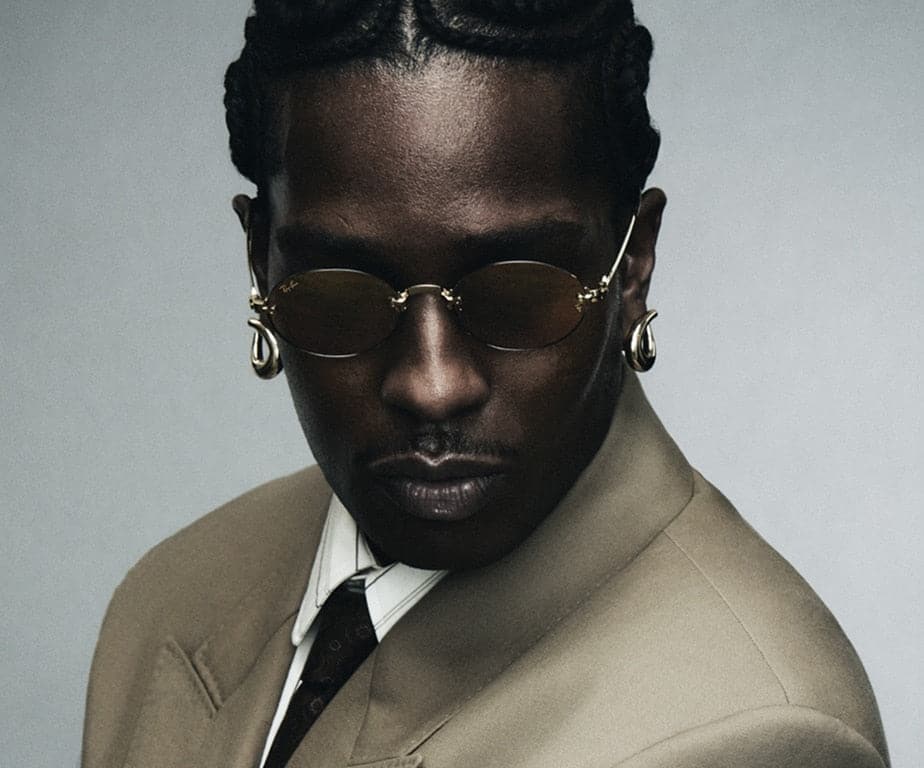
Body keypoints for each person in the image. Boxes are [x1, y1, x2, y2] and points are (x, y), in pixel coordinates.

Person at [81, 0, 890, 766]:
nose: (431, 386)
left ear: (633, 265)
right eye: (341, 292)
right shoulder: (170, 595)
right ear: (260, 263)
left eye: (517, 292)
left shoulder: (756, 733)